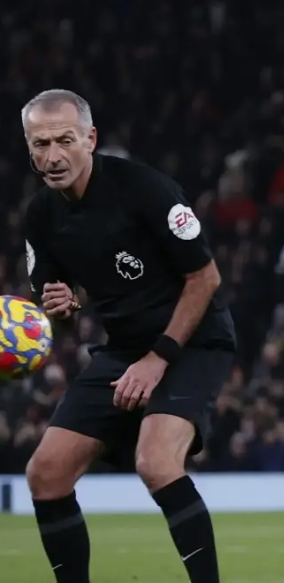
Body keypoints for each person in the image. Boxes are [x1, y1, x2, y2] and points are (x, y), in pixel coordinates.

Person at [22, 89, 236, 583]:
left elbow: (205, 278)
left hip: (193, 342)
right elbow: (60, 311)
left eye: (65, 140)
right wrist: (62, 310)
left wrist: (158, 358)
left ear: (90, 139)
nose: (53, 156)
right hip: (125, 349)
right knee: (45, 474)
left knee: (156, 461)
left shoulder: (145, 189)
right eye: (40, 144)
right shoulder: (41, 217)